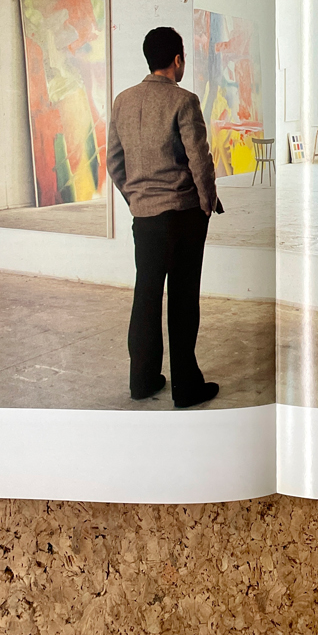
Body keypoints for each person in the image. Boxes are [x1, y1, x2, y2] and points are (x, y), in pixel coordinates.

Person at [106, 27, 220, 409]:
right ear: (177, 60)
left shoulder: (123, 101)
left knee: (146, 296)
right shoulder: (184, 100)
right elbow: (199, 159)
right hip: (183, 215)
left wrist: (136, 198)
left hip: (145, 218)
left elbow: (114, 162)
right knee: (183, 301)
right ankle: (185, 388)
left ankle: (142, 381)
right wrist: (207, 202)